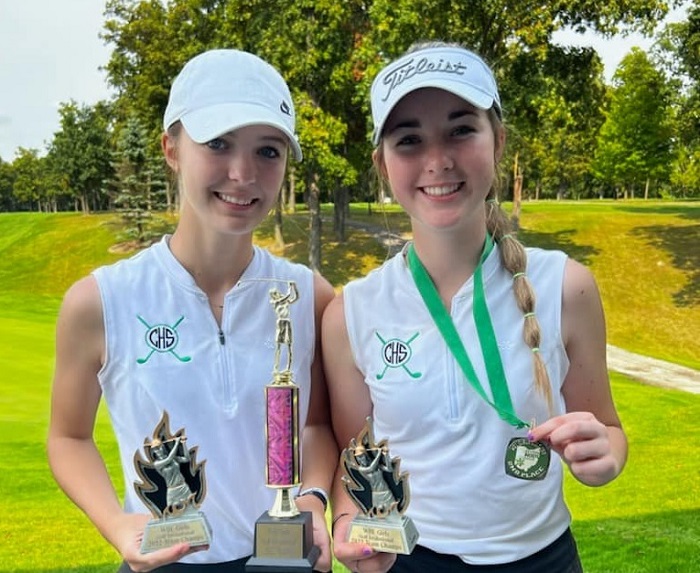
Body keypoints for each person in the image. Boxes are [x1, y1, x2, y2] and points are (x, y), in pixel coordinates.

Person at [323, 42, 628, 573]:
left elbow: (609, 428)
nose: (438, 160)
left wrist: (606, 455)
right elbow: (355, 458)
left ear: (498, 140)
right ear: (382, 165)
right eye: (409, 139)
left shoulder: (566, 286)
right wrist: (351, 521)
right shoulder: (351, 312)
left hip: (543, 559)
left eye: (461, 130)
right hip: (410, 560)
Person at [47, 48, 337, 573]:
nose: (243, 173)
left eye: (268, 151)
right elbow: (68, 437)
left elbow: (316, 427)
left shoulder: (307, 296)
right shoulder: (100, 300)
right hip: (162, 562)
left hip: (282, 560)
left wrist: (313, 500)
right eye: (218, 143)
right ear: (172, 148)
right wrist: (116, 523)